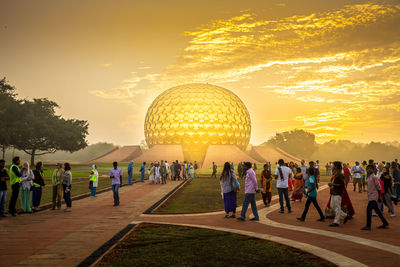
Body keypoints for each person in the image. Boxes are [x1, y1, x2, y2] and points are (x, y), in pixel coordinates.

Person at [361, 165, 389, 230]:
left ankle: (368, 225)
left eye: (370, 169)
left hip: (374, 196)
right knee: (377, 210)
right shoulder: (368, 177)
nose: (368, 170)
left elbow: (379, 188)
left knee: (368, 210)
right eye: (367, 169)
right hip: (370, 195)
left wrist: (379, 197)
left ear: (373, 170)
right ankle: (385, 222)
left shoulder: (374, 177)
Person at [328, 161, 351, 227]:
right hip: (334, 192)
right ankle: (345, 215)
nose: (332, 166)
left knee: (337, 207)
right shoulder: (336, 173)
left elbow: (342, 185)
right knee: (332, 206)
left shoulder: (340, 174)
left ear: (336, 166)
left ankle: (336, 222)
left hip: (338, 193)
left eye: (333, 165)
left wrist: (333, 184)